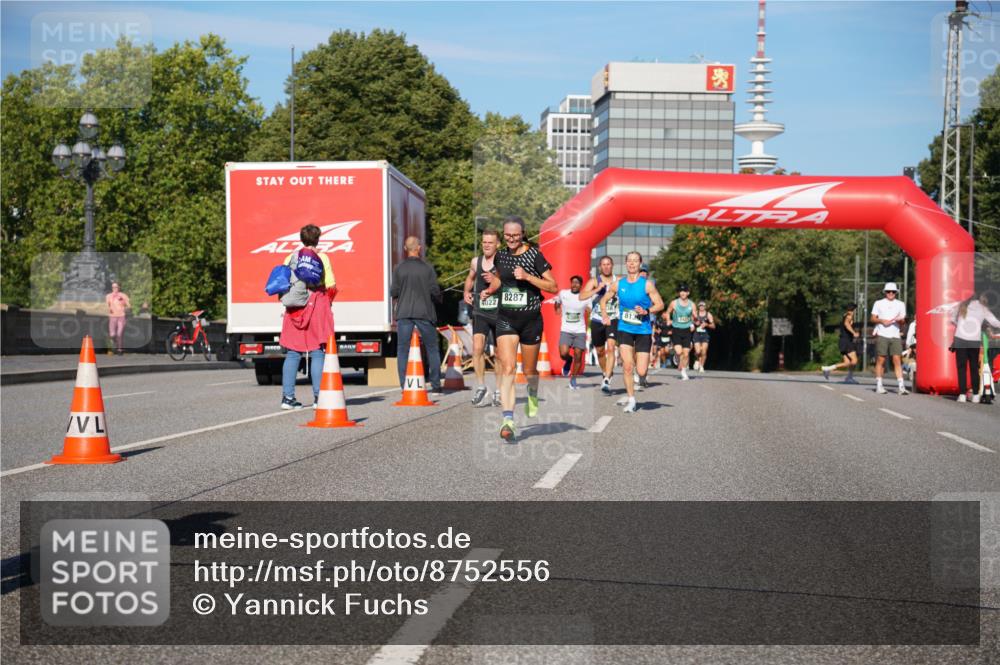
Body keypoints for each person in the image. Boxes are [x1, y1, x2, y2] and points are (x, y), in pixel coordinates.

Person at [480, 216, 557, 442]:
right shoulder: (501, 255)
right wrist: (490, 289)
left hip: (531, 320)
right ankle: (508, 420)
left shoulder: (534, 255)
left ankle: (532, 392)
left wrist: (527, 276)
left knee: (529, 371)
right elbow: (500, 280)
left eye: (515, 235)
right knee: (508, 367)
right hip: (506, 318)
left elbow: (553, 286)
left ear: (523, 234)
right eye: (507, 235)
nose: (511, 239)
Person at [279, 225, 336, 410]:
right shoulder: (323, 258)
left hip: (295, 308)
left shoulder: (290, 257)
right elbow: (331, 285)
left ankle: (288, 398)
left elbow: (285, 282)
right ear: (318, 239)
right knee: (317, 351)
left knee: (293, 352)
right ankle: (319, 397)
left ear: (301, 239)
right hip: (317, 305)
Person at [600, 251, 664, 412]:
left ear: (640, 263)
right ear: (626, 263)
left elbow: (660, 304)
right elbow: (603, 300)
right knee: (628, 366)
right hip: (625, 328)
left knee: (641, 370)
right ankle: (631, 399)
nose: (632, 263)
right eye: (629, 261)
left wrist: (646, 311)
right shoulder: (619, 284)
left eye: (635, 261)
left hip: (643, 330)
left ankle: (640, 375)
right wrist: (605, 315)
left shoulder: (647, 284)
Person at [391, 236, 443, 395]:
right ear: (419, 248)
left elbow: (394, 292)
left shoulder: (399, 268)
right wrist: (439, 298)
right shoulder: (427, 268)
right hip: (424, 312)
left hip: (404, 312)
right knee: (432, 348)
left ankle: (404, 385)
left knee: (402, 350)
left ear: (405, 249)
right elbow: (435, 291)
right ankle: (435, 385)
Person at [463, 228, 500, 407]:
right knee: (477, 349)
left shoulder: (504, 262)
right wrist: (466, 292)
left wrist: (495, 278)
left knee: (500, 354)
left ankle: (499, 390)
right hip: (481, 311)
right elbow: (470, 278)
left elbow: (511, 284)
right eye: (484, 242)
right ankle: (481, 386)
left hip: (499, 312)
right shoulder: (476, 261)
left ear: (497, 245)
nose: (486, 245)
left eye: (490, 242)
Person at [950, 291, 1000, 403]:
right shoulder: (983, 309)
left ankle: (962, 395)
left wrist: (962, 325)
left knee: (961, 368)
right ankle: (976, 395)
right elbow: (994, 322)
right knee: (974, 368)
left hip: (960, 339)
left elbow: (952, 319)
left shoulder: (961, 305)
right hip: (974, 340)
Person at [578, 256, 619, 394]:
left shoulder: (618, 281)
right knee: (600, 351)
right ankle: (605, 372)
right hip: (597, 319)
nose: (606, 267)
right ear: (600, 267)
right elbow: (581, 296)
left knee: (611, 347)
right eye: (603, 265)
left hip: (613, 318)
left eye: (608, 264)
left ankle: (607, 379)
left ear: (612, 265)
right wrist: (596, 290)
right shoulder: (595, 281)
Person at [870, 282, 909, 395]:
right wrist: (882, 320)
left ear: (896, 292)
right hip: (882, 334)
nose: (890, 293)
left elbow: (903, 321)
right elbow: (872, 318)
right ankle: (879, 385)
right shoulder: (878, 303)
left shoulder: (901, 304)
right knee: (881, 360)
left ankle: (901, 387)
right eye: (888, 291)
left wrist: (900, 320)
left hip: (895, 335)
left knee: (897, 360)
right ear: (885, 292)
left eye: (893, 292)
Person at [554, 275, 590, 390]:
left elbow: (589, 310)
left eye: (577, 283)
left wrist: (587, 326)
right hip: (566, 329)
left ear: (581, 285)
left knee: (578, 356)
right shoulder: (564, 293)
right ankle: (568, 361)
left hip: (580, 330)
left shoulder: (585, 297)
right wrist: (557, 308)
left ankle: (573, 379)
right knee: (563, 353)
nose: (574, 285)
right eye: (573, 282)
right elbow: (557, 301)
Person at [821, 303, 860, 383]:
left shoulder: (845, 315)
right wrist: (854, 333)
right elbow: (846, 324)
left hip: (843, 341)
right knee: (854, 360)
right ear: (854, 309)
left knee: (847, 363)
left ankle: (827, 369)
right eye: (856, 309)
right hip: (846, 341)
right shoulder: (849, 316)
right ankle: (849, 377)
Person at [665, 284, 696, 380]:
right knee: (679, 352)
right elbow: (667, 312)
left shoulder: (692, 304)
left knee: (686, 353)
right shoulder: (674, 303)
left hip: (687, 330)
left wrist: (694, 322)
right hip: (676, 329)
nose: (682, 293)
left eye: (684, 291)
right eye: (681, 291)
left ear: (688, 293)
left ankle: (683, 371)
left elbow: (694, 315)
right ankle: (677, 357)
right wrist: (668, 320)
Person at [105, 281, 131, 355]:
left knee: (119, 334)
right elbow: (107, 305)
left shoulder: (123, 295)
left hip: (121, 316)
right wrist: (109, 309)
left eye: (116, 287)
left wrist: (125, 308)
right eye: (113, 287)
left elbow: (129, 305)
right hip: (112, 316)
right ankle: (113, 345)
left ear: (119, 287)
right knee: (112, 334)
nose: (114, 289)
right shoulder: (108, 296)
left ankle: (120, 349)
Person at [691, 301, 716, 373]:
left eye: (703, 306)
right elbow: (690, 324)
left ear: (705, 307)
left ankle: (701, 366)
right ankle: (696, 359)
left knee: (704, 351)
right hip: (697, 334)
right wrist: (695, 323)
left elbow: (713, 326)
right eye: (700, 306)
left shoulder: (708, 315)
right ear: (698, 307)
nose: (701, 307)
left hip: (705, 335)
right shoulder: (695, 314)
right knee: (698, 351)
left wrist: (707, 325)